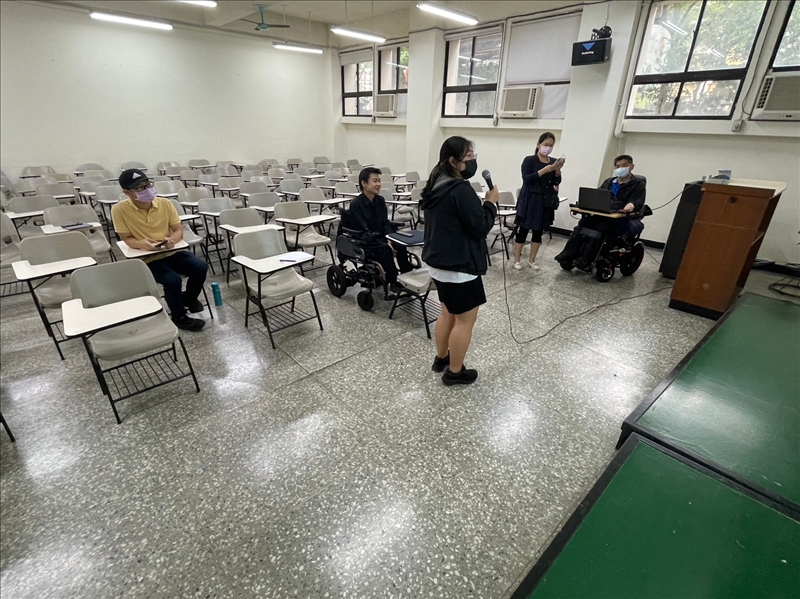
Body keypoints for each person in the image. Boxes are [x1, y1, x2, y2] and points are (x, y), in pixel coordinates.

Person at [420, 136, 499, 386]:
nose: (473, 161)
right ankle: (455, 372)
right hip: (459, 267)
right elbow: (479, 227)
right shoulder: (460, 190)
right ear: (453, 161)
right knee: (465, 321)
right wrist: (490, 204)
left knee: (447, 313)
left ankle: (441, 358)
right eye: (469, 157)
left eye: (474, 156)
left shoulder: (436, 183)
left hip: (439, 263)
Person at [111, 168, 208, 331]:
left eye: (148, 185)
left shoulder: (164, 203)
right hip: (147, 257)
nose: (147, 190)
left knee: (200, 267)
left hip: (170, 251)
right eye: (140, 188)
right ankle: (179, 317)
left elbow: (177, 230)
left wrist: (172, 240)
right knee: (172, 280)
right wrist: (141, 244)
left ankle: (189, 298)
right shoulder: (119, 210)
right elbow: (126, 238)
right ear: (127, 192)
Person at [555, 154, 646, 271]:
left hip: (620, 219)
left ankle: (586, 259)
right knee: (583, 224)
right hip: (603, 215)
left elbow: (637, 201)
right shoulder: (609, 182)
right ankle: (567, 254)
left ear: (631, 166)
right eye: (618, 166)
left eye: (624, 165)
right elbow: (597, 197)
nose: (620, 168)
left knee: (601, 228)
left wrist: (631, 205)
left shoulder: (638, 184)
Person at [348, 167, 414, 291]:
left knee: (400, 244)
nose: (378, 184)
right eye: (375, 181)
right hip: (366, 240)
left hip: (382, 237)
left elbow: (385, 223)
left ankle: (408, 277)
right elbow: (363, 229)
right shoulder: (356, 204)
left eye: (379, 181)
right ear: (364, 183)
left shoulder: (380, 200)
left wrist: (390, 238)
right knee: (385, 249)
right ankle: (393, 281)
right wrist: (386, 242)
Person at [513, 132, 564, 271]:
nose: (548, 148)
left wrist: (557, 171)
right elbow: (527, 179)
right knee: (523, 230)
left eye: (551, 145)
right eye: (546, 144)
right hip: (530, 200)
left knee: (538, 232)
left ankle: (532, 260)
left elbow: (556, 181)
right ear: (538, 144)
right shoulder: (529, 160)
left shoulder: (553, 161)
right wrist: (545, 170)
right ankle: (517, 260)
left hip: (545, 201)